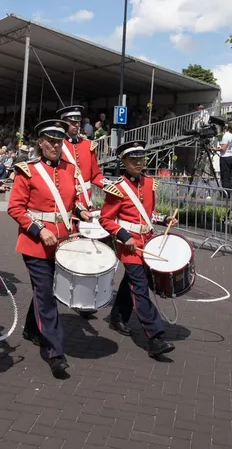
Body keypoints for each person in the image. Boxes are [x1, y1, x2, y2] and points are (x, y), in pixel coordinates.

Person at [7, 119, 91, 378]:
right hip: (35, 243)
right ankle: (54, 350)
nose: (55, 145)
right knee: (47, 293)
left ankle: (32, 329)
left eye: (59, 141)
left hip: (64, 241)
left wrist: (82, 210)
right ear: (40, 142)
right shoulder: (27, 170)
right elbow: (15, 208)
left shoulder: (70, 169)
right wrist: (38, 229)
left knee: (46, 290)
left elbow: (73, 200)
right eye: (50, 141)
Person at [97, 140, 178, 357]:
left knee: (131, 283)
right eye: (133, 159)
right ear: (123, 161)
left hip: (148, 242)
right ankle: (155, 337)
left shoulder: (150, 184)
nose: (139, 163)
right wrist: (124, 236)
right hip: (129, 246)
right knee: (140, 287)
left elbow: (147, 215)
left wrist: (164, 218)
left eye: (141, 158)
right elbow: (106, 220)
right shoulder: (117, 189)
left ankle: (117, 317)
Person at [57, 105, 105, 319]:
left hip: (87, 204)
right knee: (69, 250)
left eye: (77, 122)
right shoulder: (58, 144)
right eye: (71, 122)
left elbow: (96, 175)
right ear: (64, 123)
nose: (75, 125)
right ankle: (63, 289)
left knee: (87, 250)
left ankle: (84, 297)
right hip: (67, 204)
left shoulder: (88, 146)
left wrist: (111, 187)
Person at [218, 119, 232, 195]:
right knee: (231, 177)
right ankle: (231, 194)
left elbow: (223, 149)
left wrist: (214, 149)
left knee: (225, 177)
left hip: (226, 158)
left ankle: (225, 196)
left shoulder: (226, 135)